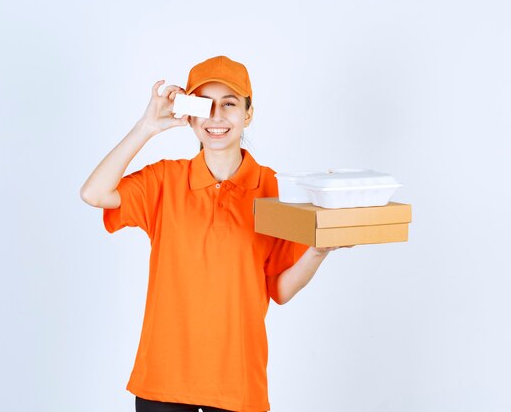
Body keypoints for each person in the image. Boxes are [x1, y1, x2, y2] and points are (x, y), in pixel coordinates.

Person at [80, 56, 344, 412]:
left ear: (248, 114)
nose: (216, 117)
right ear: (189, 114)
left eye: (230, 104)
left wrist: (318, 251)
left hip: (238, 386)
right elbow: (94, 194)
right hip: (163, 383)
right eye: (205, 104)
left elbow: (279, 290)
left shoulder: (273, 188)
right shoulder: (165, 181)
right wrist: (146, 126)